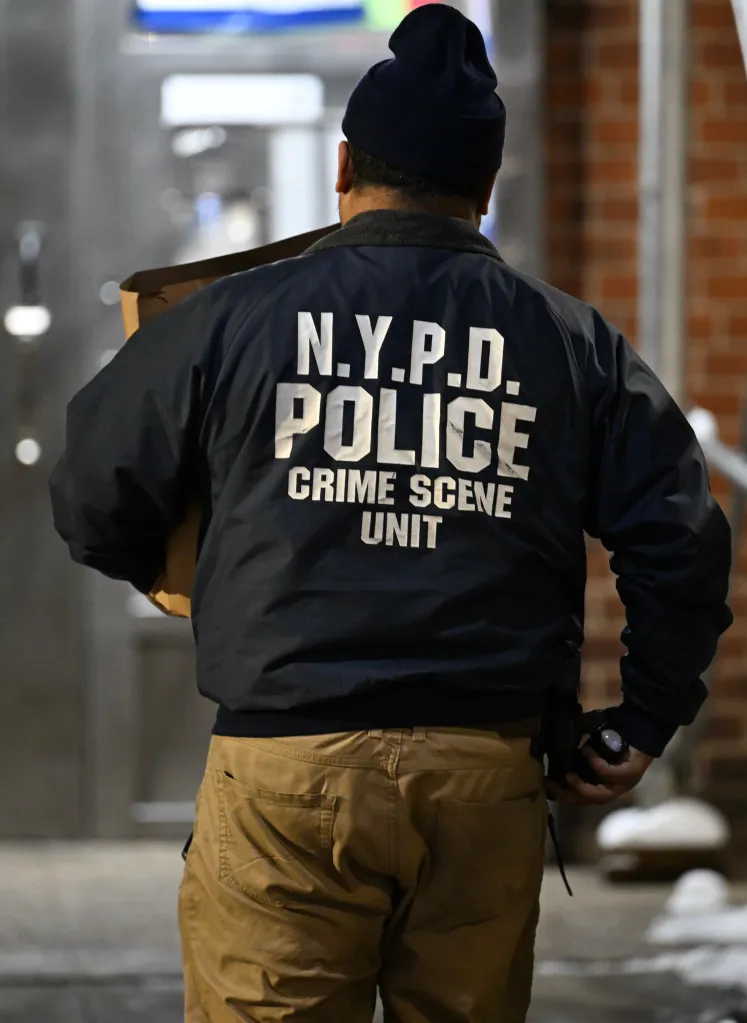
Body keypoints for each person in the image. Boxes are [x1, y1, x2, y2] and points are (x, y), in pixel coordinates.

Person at [50, 5, 732, 1021]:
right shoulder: (570, 342)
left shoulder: (230, 321)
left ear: (343, 165)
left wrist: (192, 574)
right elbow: (679, 537)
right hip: (486, 775)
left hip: (286, 771)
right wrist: (642, 719)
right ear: (486, 187)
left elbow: (93, 490)